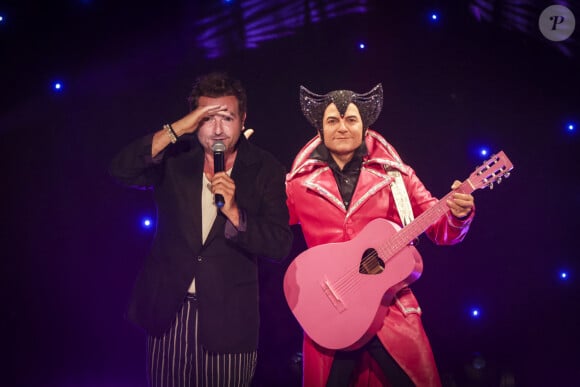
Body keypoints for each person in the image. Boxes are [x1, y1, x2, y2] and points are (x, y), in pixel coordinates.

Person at [109, 72, 293, 387]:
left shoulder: (265, 168)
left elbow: (280, 244)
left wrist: (236, 213)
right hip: (170, 313)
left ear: (243, 118)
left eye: (227, 118)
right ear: (195, 122)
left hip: (229, 319)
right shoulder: (178, 157)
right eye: (208, 119)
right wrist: (177, 129)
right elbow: (121, 170)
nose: (218, 129)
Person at [285, 84, 475, 387]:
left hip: (389, 310)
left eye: (351, 120)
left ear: (365, 126)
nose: (342, 128)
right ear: (319, 130)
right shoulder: (298, 185)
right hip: (330, 312)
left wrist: (457, 214)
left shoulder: (397, 176)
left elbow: (441, 230)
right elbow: (267, 227)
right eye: (333, 121)